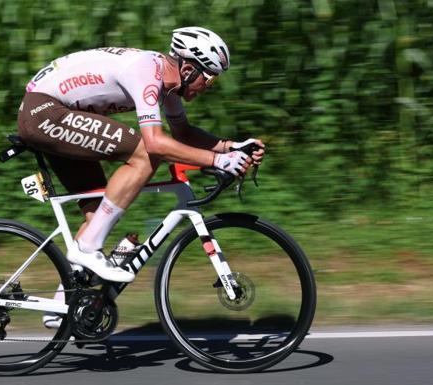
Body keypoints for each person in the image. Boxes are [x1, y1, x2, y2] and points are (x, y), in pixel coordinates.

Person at [17, 27, 265, 285]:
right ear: (189, 70)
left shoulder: (168, 86)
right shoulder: (147, 73)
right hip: (44, 112)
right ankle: (87, 249)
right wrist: (218, 161)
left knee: (98, 214)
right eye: (211, 79)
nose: (210, 87)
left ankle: (64, 309)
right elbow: (155, 144)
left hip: (50, 112)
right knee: (146, 155)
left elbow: (183, 133)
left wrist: (231, 147)